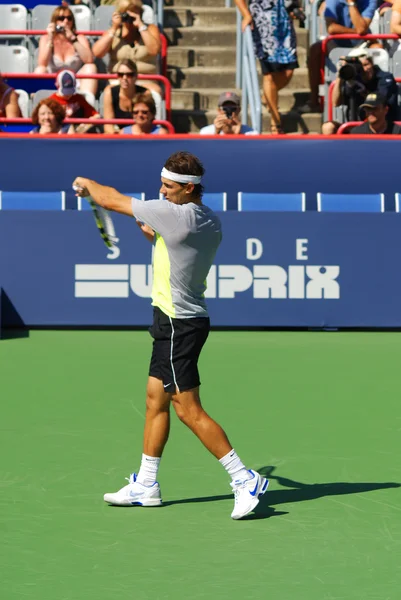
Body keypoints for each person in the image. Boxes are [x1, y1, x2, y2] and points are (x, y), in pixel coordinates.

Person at [72, 151, 269, 520]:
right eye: (161, 184)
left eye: (169, 187)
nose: (162, 192)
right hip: (171, 320)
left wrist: (85, 183)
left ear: (188, 188)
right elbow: (162, 241)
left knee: (186, 409)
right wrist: (148, 224)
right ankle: (146, 484)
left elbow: (109, 198)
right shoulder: (207, 218)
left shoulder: (175, 215)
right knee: (154, 399)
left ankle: (244, 479)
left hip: (181, 323)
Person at [234, 0, 299, 134]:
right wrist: (246, 14)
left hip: (284, 24)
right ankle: (275, 123)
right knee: (269, 75)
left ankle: (267, 97)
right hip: (262, 25)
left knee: (289, 71)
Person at [302, 0, 377, 114]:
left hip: (362, 44)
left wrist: (351, 4)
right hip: (337, 43)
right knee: (315, 50)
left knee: (379, 48)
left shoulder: (370, 1)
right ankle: (314, 101)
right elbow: (331, 28)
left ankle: (376, 97)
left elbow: (361, 28)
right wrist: (357, 32)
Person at [92, 0, 161, 94]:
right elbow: (97, 53)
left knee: (154, 92)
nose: (129, 19)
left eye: (133, 13)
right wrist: (114, 28)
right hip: (118, 80)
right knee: (109, 92)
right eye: (125, 13)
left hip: (145, 81)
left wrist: (141, 26)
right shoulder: (114, 32)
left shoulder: (150, 29)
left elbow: (154, 50)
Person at [322, 53, 398, 133]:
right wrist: (340, 76)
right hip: (353, 124)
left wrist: (362, 89)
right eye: (360, 66)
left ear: (372, 64)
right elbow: (335, 103)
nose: (364, 69)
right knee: (328, 127)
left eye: (366, 65)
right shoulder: (351, 76)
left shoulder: (384, 77)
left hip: (379, 124)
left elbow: (379, 101)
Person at [35, 5, 97, 96]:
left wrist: (73, 39)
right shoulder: (45, 38)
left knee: (90, 67)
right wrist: (50, 38)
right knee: (40, 70)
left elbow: (89, 60)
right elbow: (42, 63)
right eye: (61, 18)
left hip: (75, 81)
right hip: (54, 81)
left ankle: (87, 104)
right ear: (54, 21)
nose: (66, 21)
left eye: (69, 18)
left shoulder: (79, 38)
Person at [102, 59, 162, 134]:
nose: (124, 78)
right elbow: (108, 125)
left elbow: (148, 121)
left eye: (129, 75)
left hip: (140, 134)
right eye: (120, 74)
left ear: (136, 76)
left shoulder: (145, 93)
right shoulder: (110, 92)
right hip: (118, 136)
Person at [49, 69, 101, 134]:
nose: (68, 94)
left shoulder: (78, 98)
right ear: (57, 85)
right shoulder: (51, 101)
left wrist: (88, 122)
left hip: (79, 132)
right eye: (65, 91)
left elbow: (95, 115)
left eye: (70, 91)